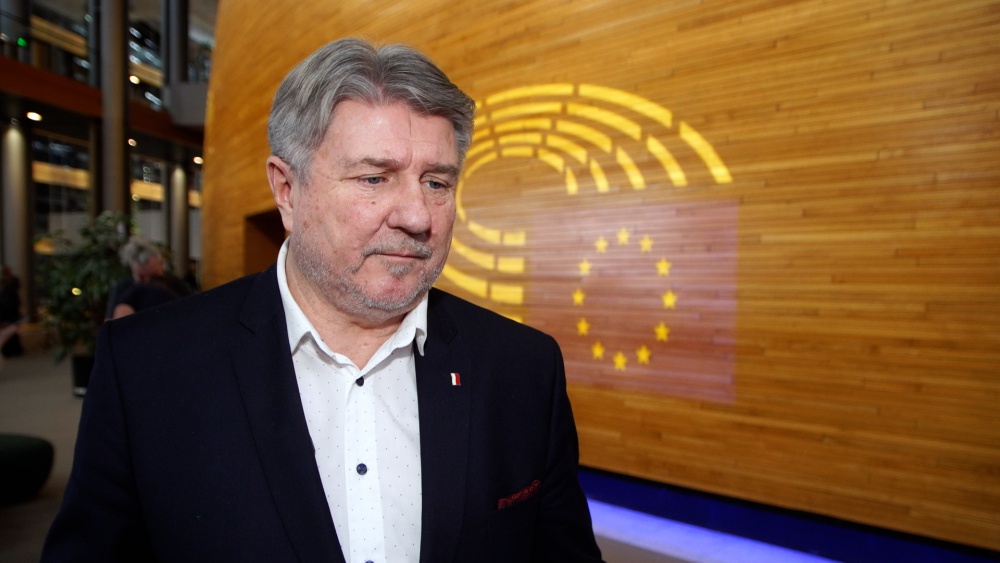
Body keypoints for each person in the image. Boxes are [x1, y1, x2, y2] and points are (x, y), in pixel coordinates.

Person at [42, 38, 604, 562]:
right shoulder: (146, 368)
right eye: (374, 178)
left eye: (436, 182)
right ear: (287, 190)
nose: (417, 216)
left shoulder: (523, 368)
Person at [104, 236, 192, 320]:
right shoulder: (122, 289)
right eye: (141, 276)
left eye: (153, 277)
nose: (146, 282)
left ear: (161, 263)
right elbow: (110, 324)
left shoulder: (177, 286)